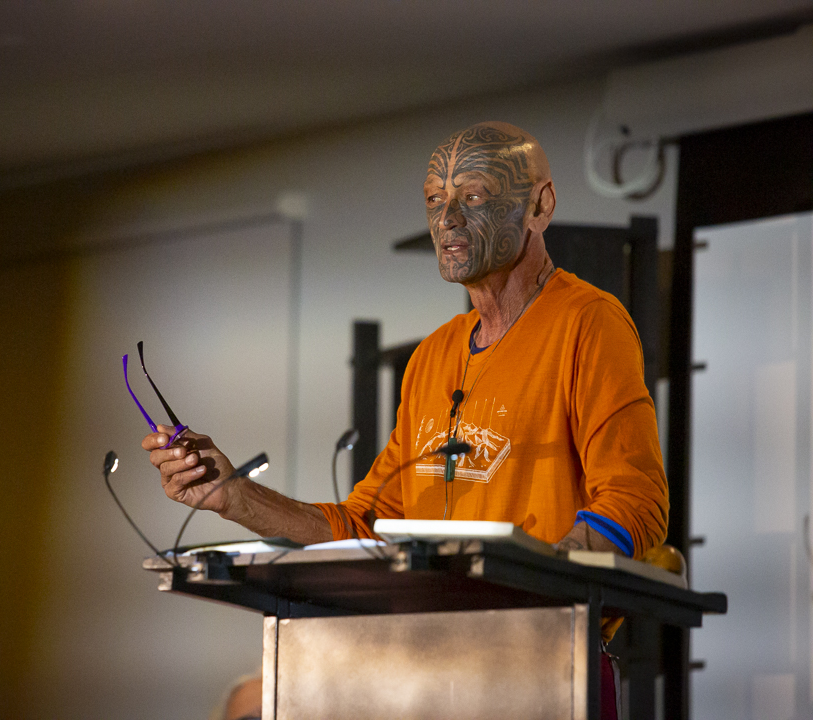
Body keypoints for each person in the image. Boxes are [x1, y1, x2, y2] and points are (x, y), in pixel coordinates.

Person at [144, 120, 666, 720]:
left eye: (471, 197)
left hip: (543, 663)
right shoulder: (432, 357)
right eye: (434, 201)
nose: (447, 220)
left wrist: (532, 588)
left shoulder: (588, 323)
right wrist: (233, 495)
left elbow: (635, 498)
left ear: (540, 206)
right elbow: (367, 524)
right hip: (426, 672)